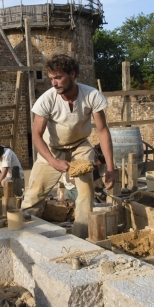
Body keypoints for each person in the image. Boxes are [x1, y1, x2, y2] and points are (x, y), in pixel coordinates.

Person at [20, 54, 116, 238]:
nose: (54, 83)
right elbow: (37, 136)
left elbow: (103, 131)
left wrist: (110, 168)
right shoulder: (46, 99)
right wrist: (53, 162)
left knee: (86, 194)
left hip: (80, 146)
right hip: (52, 148)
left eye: (58, 77)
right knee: (34, 194)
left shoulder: (91, 95)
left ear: (72, 74)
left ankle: (80, 238)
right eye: (51, 79)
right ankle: (21, 236)